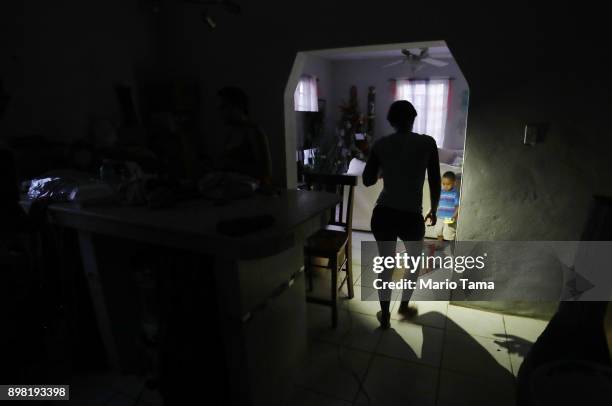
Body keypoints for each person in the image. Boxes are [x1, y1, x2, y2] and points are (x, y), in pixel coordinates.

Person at [363, 100, 441, 329]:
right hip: (411, 216)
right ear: (414, 117)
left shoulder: (381, 144)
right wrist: (433, 210)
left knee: (386, 267)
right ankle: (404, 305)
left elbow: (367, 180)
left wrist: (383, 166)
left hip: (384, 213)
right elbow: (435, 180)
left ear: (390, 121)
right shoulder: (428, 143)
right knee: (413, 264)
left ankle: (385, 314)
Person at [214, 87, 272, 186]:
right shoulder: (231, 133)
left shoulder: (253, 131)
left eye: (224, 107)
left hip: (253, 196)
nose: (220, 112)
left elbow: (266, 173)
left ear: (238, 106)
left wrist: (230, 165)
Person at [433, 171, 459, 242]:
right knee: (438, 231)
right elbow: (437, 202)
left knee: (449, 234)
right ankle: (439, 244)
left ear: (454, 183)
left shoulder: (455, 193)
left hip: (450, 217)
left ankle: (450, 248)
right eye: (443, 184)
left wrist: (454, 215)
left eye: (448, 184)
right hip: (440, 216)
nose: (445, 186)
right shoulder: (441, 192)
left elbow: (457, 205)